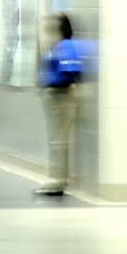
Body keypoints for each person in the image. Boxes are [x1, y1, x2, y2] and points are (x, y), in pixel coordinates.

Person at [36, 13, 82, 196]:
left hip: (62, 96)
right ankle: (56, 178)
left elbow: (71, 71)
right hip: (57, 96)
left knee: (59, 141)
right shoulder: (57, 47)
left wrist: (54, 87)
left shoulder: (66, 46)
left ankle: (57, 181)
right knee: (56, 141)